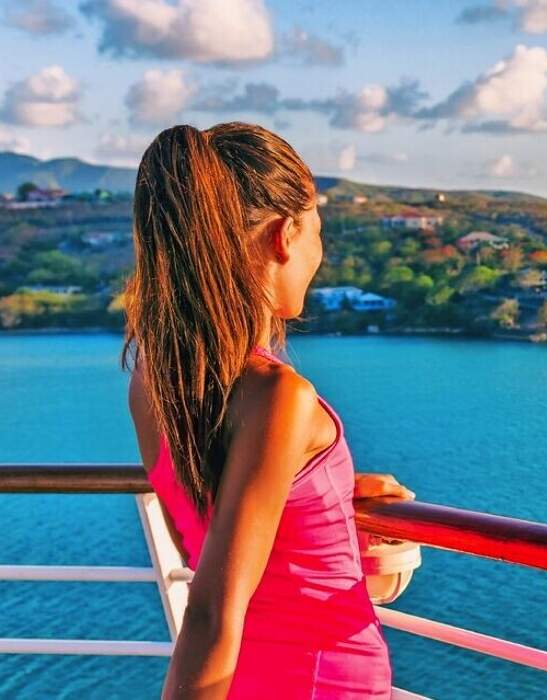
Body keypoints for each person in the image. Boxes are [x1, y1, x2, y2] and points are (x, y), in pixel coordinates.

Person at [123, 122, 412, 699]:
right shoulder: (278, 396)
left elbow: (211, 543)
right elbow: (211, 612)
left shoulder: (155, 381)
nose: (319, 254)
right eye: (318, 233)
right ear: (286, 235)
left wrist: (332, 503)